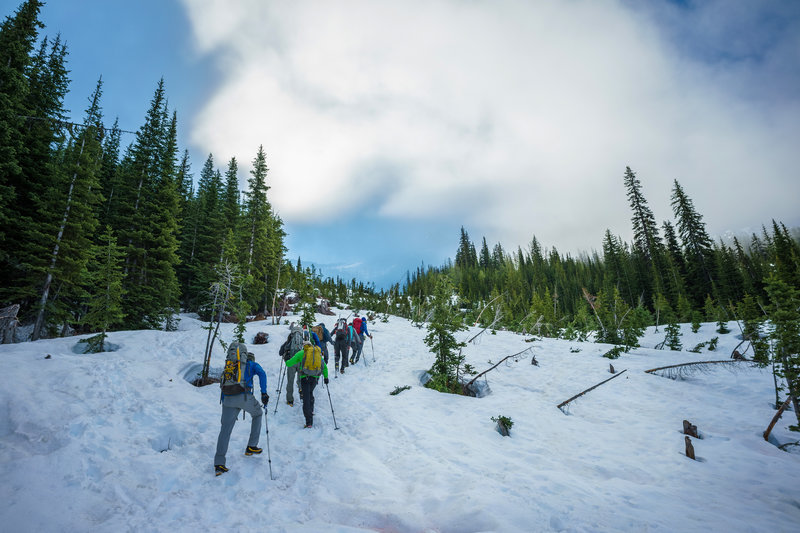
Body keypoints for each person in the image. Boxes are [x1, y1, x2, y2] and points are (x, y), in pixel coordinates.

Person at [214, 348, 269, 476]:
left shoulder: (231, 365)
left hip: (227, 399)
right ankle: (251, 446)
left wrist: (224, 402)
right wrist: (264, 392)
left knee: (225, 430)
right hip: (244, 396)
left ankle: (219, 463)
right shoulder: (252, 364)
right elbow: (262, 374)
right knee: (258, 414)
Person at [285, 337, 329, 428]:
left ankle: (309, 422)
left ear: (304, 346)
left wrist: (286, 359)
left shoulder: (302, 353)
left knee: (306, 399)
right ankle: (311, 410)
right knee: (310, 393)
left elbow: (289, 364)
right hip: (315, 378)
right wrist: (326, 377)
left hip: (305, 378)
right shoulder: (316, 353)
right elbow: (324, 366)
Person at [279, 323, 304, 406]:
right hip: (301, 362)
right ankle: (302, 393)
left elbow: (280, 352)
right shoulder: (303, 340)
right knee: (301, 380)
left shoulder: (289, 340)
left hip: (291, 362)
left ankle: (290, 400)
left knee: (290, 381)